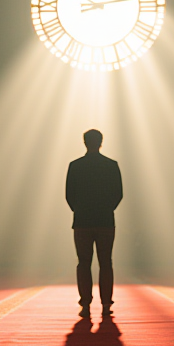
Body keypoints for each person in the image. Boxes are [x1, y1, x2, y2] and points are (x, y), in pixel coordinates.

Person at [66, 128, 123, 319]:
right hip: (105, 220)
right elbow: (118, 194)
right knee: (106, 262)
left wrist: (80, 210)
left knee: (83, 263)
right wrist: (107, 208)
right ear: (101, 142)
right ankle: (106, 304)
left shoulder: (75, 166)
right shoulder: (111, 165)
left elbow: (69, 195)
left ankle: (85, 304)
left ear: (84, 143)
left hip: (82, 221)